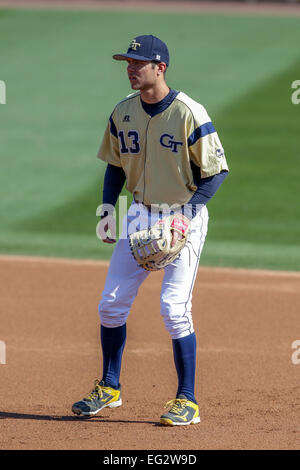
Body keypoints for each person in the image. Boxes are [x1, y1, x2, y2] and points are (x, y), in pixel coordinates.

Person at [72, 35, 229, 426]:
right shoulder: (123, 111)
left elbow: (216, 172)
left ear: (160, 68)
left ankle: (187, 400)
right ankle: (109, 387)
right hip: (139, 214)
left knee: (175, 310)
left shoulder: (189, 112)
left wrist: (185, 216)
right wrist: (108, 208)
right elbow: (114, 164)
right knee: (110, 304)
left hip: (183, 218)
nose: (130, 68)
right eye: (127, 62)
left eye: (138, 63)